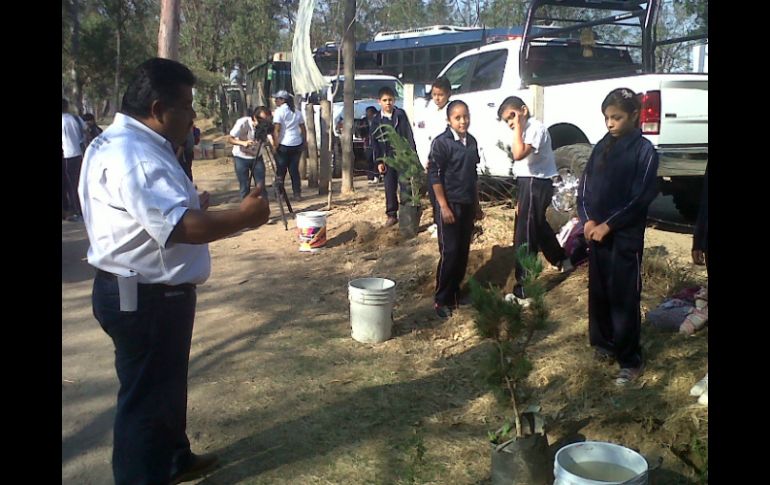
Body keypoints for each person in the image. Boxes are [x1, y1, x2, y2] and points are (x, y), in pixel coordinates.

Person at [78, 57, 270, 485]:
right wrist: (245, 217)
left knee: (164, 388)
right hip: (145, 297)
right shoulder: (136, 153)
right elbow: (180, 227)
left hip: (147, 292)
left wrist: (190, 204)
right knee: (145, 401)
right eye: (187, 105)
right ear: (159, 109)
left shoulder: (115, 142)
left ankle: (173, 459)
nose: (193, 115)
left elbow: (145, 214)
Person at [576, 87, 659, 386]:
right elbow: (584, 187)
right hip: (596, 234)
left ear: (634, 115)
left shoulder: (644, 151)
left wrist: (609, 224)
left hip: (624, 237)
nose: (610, 124)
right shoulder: (601, 147)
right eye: (607, 118)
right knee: (599, 292)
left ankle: (629, 359)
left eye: (617, 117)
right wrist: (587, 220)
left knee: (623, 295)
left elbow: (640, 197)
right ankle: (603, 343)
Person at [497, 96, 572, 304]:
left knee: (526, 233)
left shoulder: (535, 128)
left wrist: (518, 128)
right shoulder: (523, 130)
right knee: (536, 225)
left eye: (512, 115)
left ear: (524, 110)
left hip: (536, 183)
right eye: (507, 120)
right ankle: (561, 259)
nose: (511, 122)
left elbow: (519, 153)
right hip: (526, 184)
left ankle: (524, 288)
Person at [428, 100, 483, 318]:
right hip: (449, 206)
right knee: (449, 252)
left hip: (467, 204)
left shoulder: (471, 142)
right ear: (449, 120)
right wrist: (443, 206)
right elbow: (434, 175)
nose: (463, 121)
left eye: (465, 116)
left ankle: (455, 293)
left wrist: (477, 204)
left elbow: (473, 175)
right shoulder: (442, 143)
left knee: (462, 251)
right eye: (458, 117)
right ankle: (441, 300)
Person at [370, 86, 417, 227]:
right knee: (389, 187)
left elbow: (409, 135)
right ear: (379, 102)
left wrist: (411, 155)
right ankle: (391, 214)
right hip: (387, 158)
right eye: (385, 100)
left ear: (394, 100)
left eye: (390, 99)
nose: (388, 103)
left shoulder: (400, 115)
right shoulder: (377, 120)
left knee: (405, 186)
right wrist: (379, 161)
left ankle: (406, 214)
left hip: (402, 157)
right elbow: (375, 142)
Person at [414, 76, 452, 232]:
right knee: (432, 192)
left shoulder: (451, 111)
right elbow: (423, 134)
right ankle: (437, 221)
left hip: (444, 160)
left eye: (441, 95)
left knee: (443, 193)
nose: (437, 98)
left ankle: (444, 223)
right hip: (429, 159)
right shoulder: (429, 109)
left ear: (448, 94)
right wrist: (424, 158)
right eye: (434, 94)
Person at [271, 90, 306, 202]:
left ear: (282, 100)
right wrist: (303, 141)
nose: (275, 101)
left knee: (280, 171)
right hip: (296, 143)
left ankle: (279, 194)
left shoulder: (279, 112)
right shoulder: (297, 111)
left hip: (284, 144)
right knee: (294, 170)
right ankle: (297, 194)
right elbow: (303, 128)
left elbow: (277, 129)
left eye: (277, 99)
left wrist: (275, 145)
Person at [229, 107, 266, 199]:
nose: (263, 122)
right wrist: (243, 143)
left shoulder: (265, 126)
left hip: (257, 157)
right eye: (261, 119)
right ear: (254, 117)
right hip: (241, 157)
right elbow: (230, 139)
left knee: (261, 185)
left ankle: (263, 208)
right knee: (244, 186)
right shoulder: (243, 122)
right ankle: (246, 209)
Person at [62, 98, 86, 221]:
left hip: (66, 156)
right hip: (78, 154)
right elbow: (85, 130)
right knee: (77, 182)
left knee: (69, 185)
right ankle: (78, 208)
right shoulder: (76, 118)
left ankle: (75, 211)